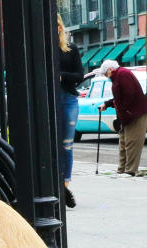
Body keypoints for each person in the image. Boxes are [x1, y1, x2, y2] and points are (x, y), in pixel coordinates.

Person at [94, 59, 147, 176]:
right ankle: (122, 169)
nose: (105, 76)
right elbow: (120, 97)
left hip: (135, 114)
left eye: (105, 74)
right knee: (123, 142)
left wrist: (124, 110)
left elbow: (129, 95)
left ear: (110, 70)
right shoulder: (118, 76)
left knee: (132, 142)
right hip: (127, 115)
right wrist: (108, 104)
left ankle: (130, 171)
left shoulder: (123, 74)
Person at [57, 15, 84, 209]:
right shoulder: (43, 48)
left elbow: (80, 75)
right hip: (49, 99)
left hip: (68, 98)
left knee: (67, 144)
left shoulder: (70, 48)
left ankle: (64, 185)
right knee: (51, 144)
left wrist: (61, 76)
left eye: (57, 25)